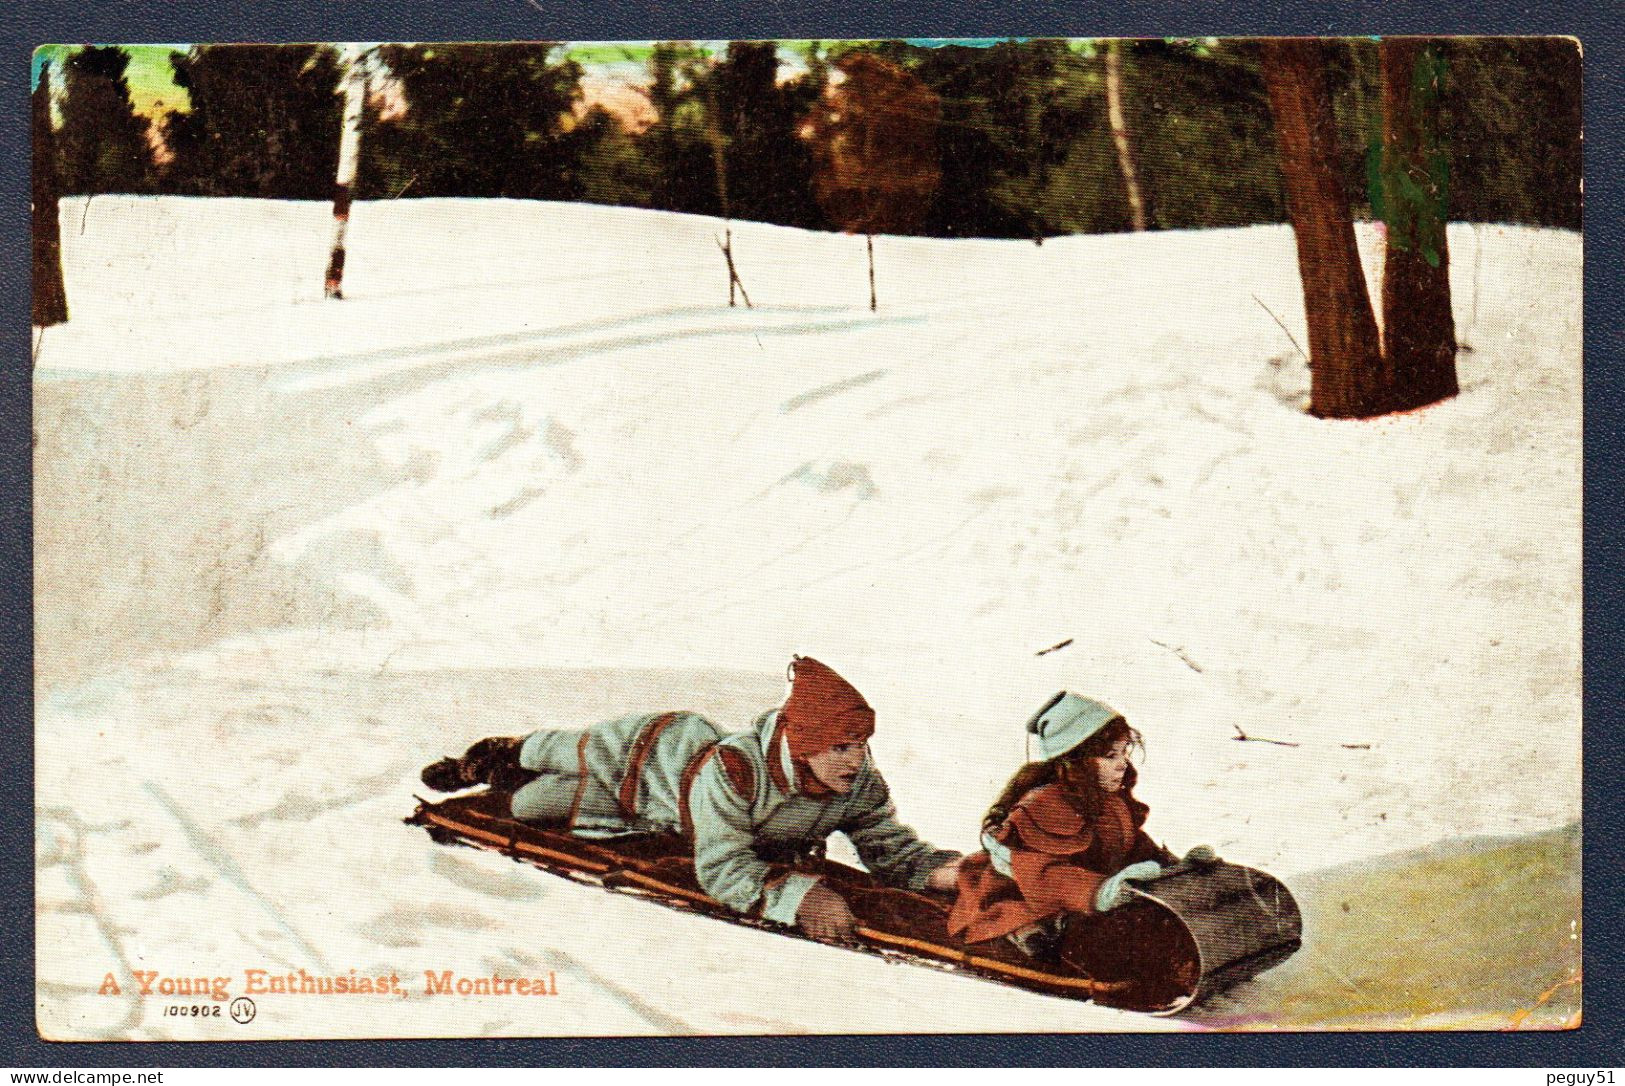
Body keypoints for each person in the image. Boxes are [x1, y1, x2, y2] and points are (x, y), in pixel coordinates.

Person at [420, 656, 962, 942]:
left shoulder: (859, 784)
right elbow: (722, 867)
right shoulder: (736, 771)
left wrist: (947, 873)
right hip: (658, 756)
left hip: (663, 807)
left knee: (535, 805)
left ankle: (520, 780)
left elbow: (892, 851)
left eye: (861, 745)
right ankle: (491, 756)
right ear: (804, 744)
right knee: (552, 759)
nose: (854, 759)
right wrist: (799, 900)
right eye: (839, 746)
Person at [946, 692, 1214, 960]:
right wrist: (1099, 892)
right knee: (1033, 923)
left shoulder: (1107, 801)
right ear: (1076, 760)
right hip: (1022, 889)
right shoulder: (1044, 805)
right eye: (1110, 756)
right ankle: (1029, 938)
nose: (1122, 764)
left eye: (1123, 753)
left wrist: (1175, 868)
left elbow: (1129, 845)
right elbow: (1044, 874)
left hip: (1082, 890)